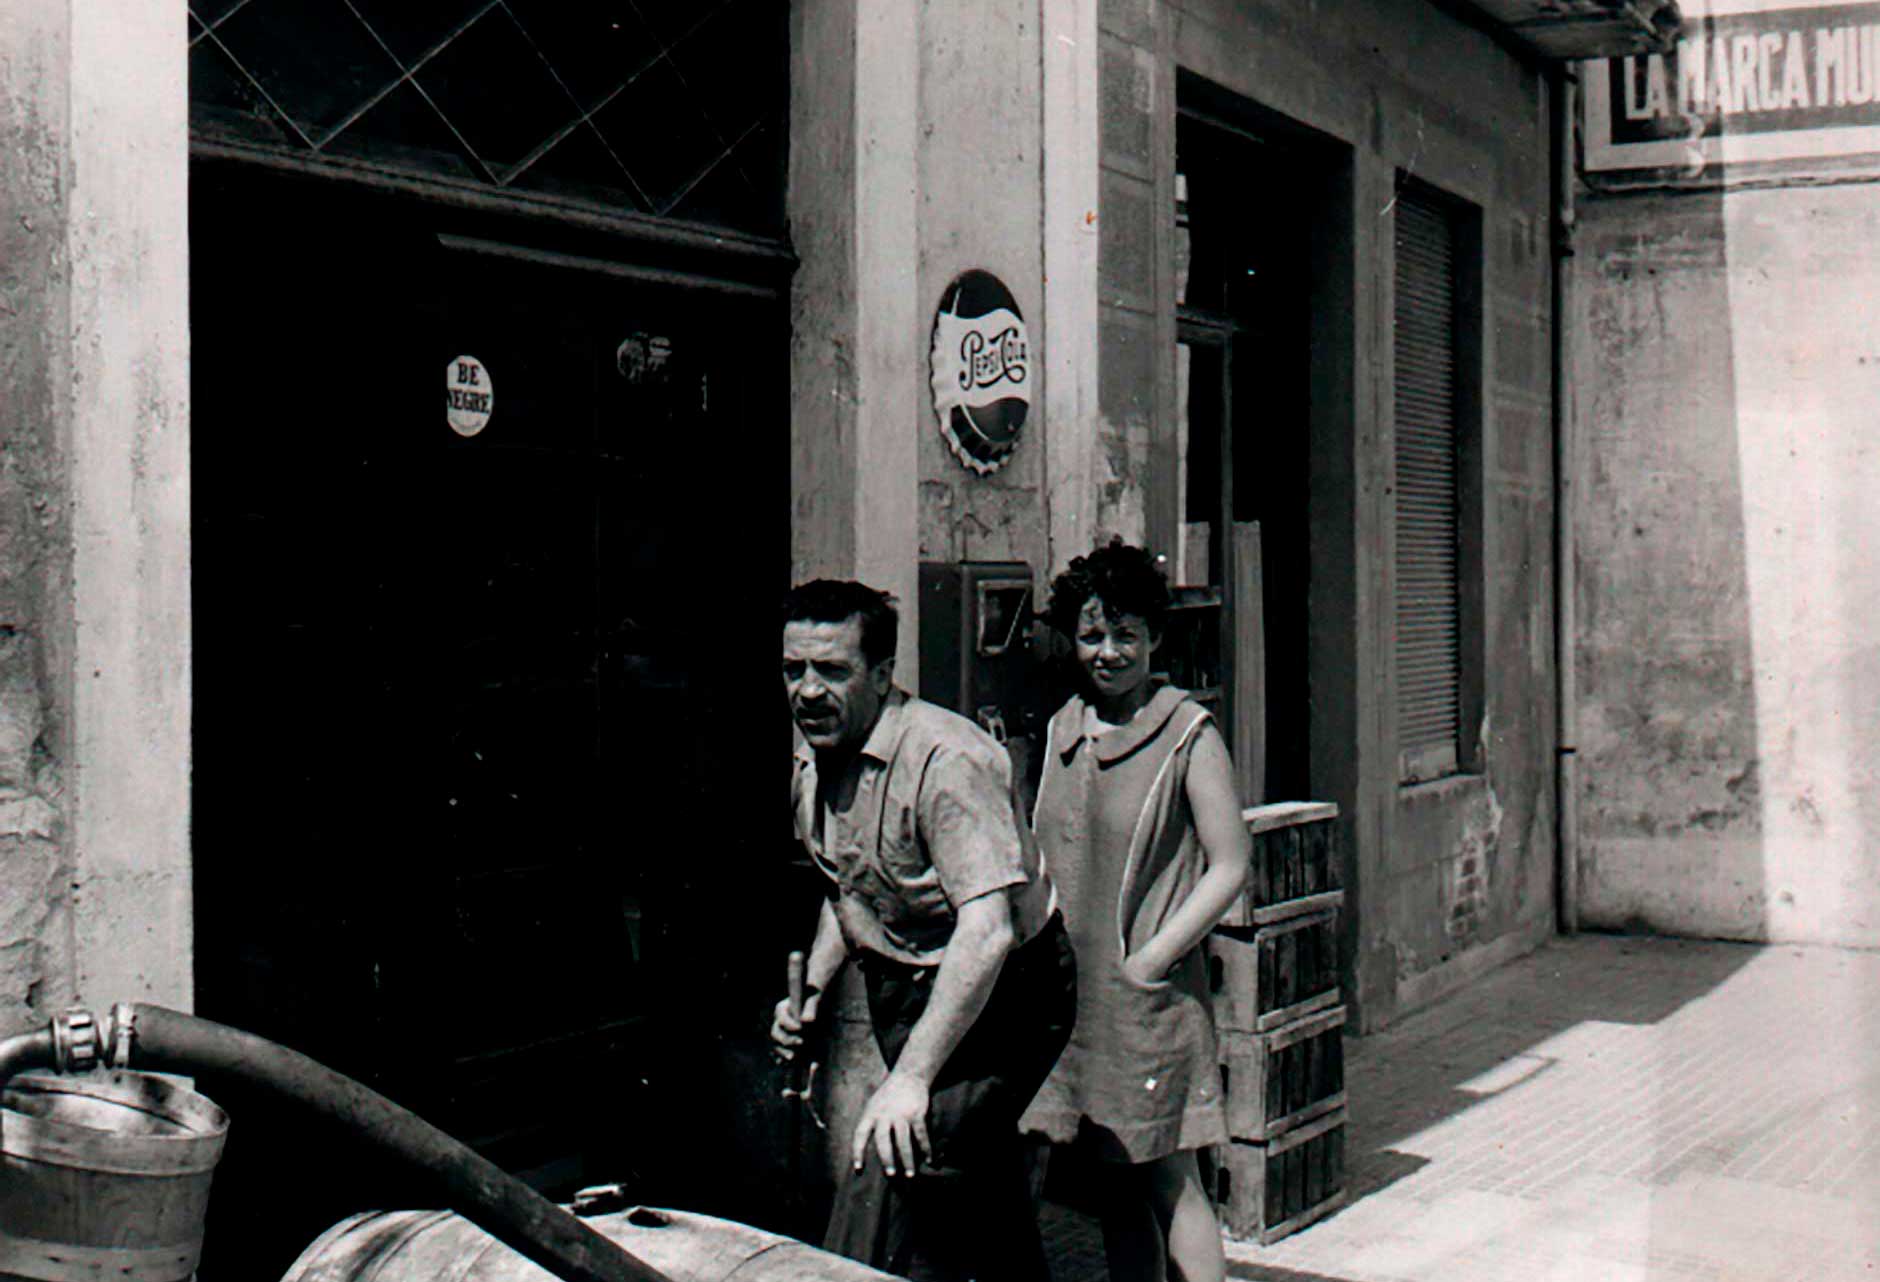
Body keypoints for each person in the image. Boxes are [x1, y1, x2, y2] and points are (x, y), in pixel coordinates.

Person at [772, 579, 1074, 1282]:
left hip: (1009, 994)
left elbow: (988, 932)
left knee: (889, 1153)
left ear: (882, 675)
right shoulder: (813, 768)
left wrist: (908, 1077)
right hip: (913, 987)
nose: (808, 692)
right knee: (975, 1186)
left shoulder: (946, 761)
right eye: (794, 670)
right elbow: (848, 894)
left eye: (832, 671)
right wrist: (811, 990)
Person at [1019, 540, 1252, 1282]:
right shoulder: (1063, 730)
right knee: (1110, 1172)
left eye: (1126, 634)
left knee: (1166, 1175)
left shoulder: (1189, 734)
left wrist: (1152, 960)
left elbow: (1231, 866)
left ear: (1156, 636)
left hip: (1148, 1002)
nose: (1109, 652)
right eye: (1092, 635)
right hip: (1077, 1002)